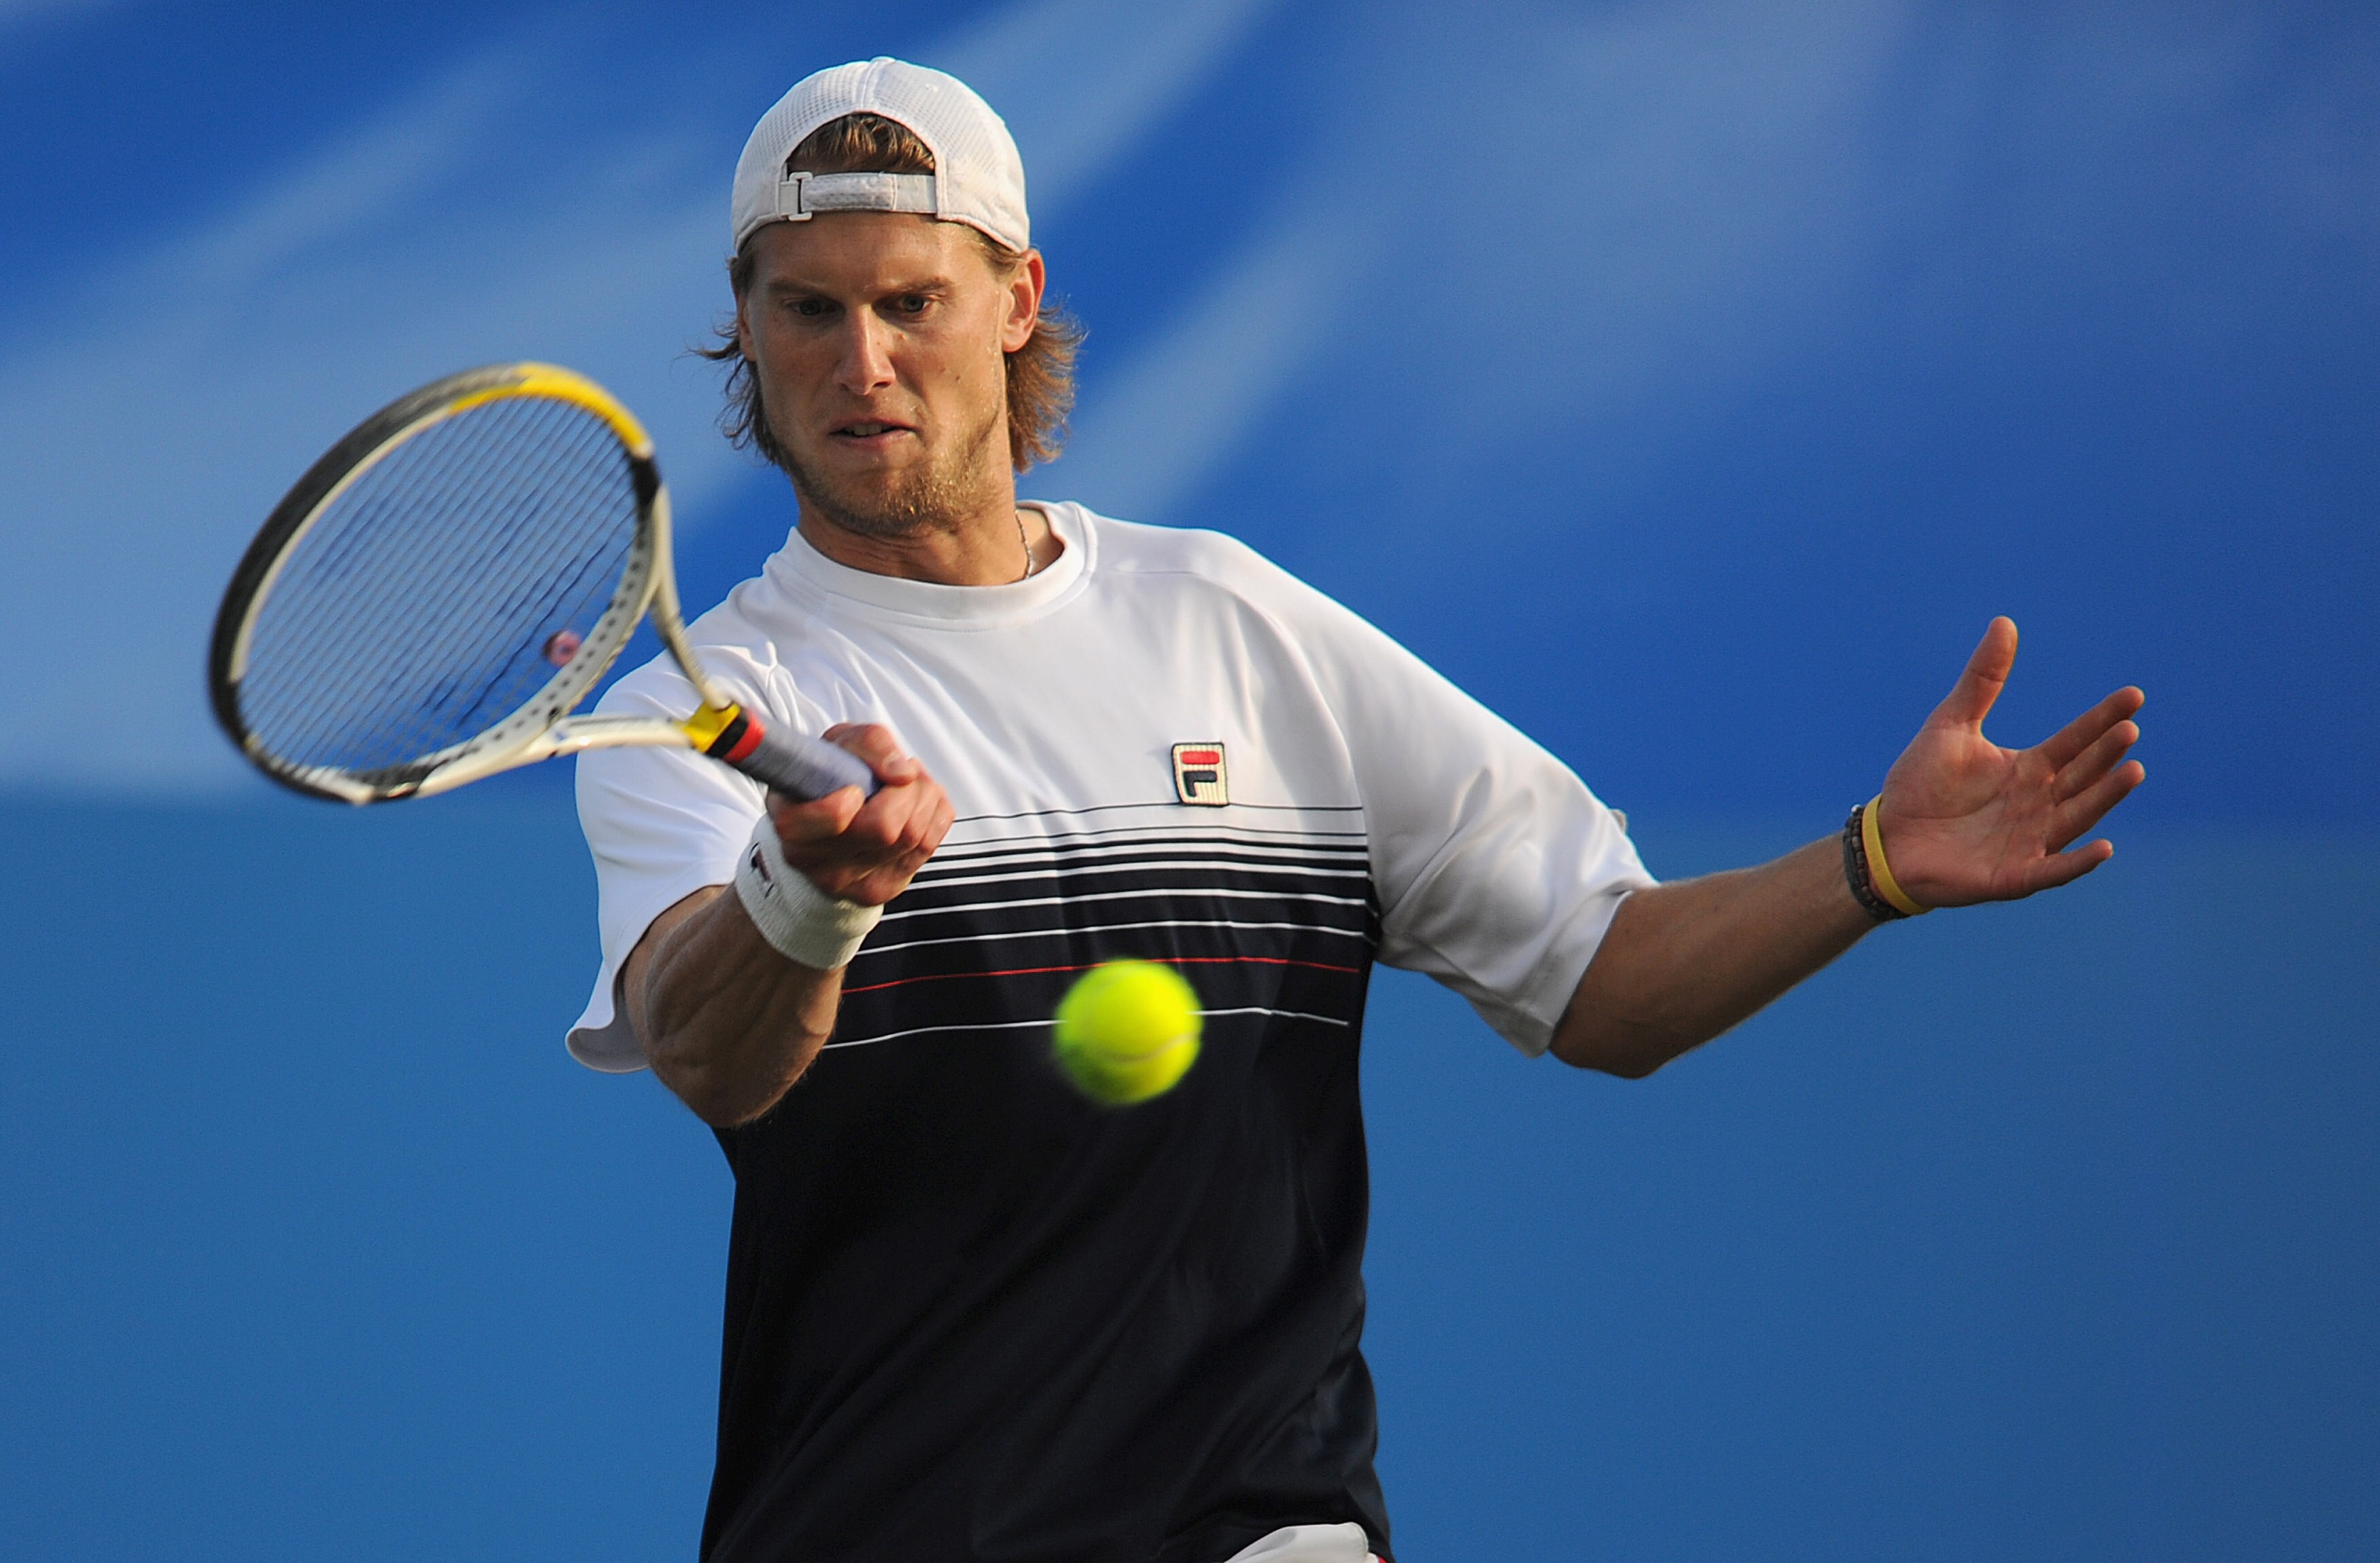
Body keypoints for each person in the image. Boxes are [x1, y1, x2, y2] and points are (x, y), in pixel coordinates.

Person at [567, 58, 2145, 1563]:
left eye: (911, 304)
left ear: (1014, 303)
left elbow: (1599, 978)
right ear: (747, 327)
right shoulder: (692, 720)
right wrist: (809, 897)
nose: (862, 363)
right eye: (809, 310)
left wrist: (1867, 865)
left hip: (1261, 1524)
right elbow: (710, 1056)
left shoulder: (1241, 632)